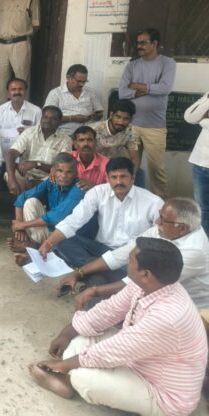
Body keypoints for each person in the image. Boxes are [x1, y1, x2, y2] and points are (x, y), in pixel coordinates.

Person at [29, 237, 207, 416]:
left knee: (85, 379)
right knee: (81, 337)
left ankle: (70, 381)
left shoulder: (168, 317)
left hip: (162, 392)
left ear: (146, 274)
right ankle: (71, 380)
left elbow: (114, 350)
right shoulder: (148, 285)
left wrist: (63, 365)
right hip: (140, 359)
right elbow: (109, 310)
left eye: (130, 259)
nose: (126, 261)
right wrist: (66, 333)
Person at [58, 198, 209, 310]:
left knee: (102, 296)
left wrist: (95, 290)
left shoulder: (194, 251)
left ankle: (100, 305)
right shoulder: (166, 228)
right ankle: (100, 300)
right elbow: (121, 254)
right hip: (143, 280)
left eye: (163, 219)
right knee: (92, 265)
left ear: (182, 228)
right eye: (160, 215)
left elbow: (144, 284)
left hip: (172, 303)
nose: (157, 221)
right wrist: (78, 273)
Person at [38, 158, 164, 269]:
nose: (118, 182)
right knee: (62, 241)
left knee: (137, 264)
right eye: (114, 177)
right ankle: (96, 268)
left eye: (123, 176)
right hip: (101, 249)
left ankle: (91, 270)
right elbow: (74, 220)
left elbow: (161, 236)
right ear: (107, 178)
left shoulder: (153, 202)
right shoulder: (98, 192)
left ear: (133, 178)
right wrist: (49, 243)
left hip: (130, 255)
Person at [118, 28, 176, 199]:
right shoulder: (132, 65)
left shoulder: (167, 63)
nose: (139, 46)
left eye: (143, 42)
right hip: (131, 127)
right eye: (138, 43)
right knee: (130, 167)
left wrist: (137, 86)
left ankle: (162, 205)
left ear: (154, 43)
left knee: (157, 169)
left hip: (155, 128)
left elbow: (165, 88)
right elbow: (122, 93)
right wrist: (150, 89)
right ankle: (129, 200)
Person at [9, 153, 84, 262]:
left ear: (76, 173)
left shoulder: (78, 188)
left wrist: (23, 225)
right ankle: (29, 243)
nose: (64, 175)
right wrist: (20, 228)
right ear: (53, 171)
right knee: (30, 202)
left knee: (40, 233)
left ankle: (30, 250)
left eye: (69, 172)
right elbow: (22, 197)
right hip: (51, 227)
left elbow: (56, 217)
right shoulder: (51, 181)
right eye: (60, 171)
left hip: (68, 235)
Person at [0, 0, 40, 105]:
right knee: (1, 81)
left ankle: (23, 112)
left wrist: (25, 37)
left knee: (22, 80)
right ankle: (0, 112)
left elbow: (36, 24)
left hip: (20, 44)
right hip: (2, 44)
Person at [5, 106, 71, 195]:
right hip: (25, 175)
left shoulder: (65, 140)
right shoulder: (29, 132)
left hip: (48, 179)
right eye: (45, 117)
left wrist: (36, 164)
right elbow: (11, 153)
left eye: (53, 119)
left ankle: (26, 199)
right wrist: (11, 179)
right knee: (11, 175)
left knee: (59, 178)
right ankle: (24, 198)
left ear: (59, 122)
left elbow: (61, 168)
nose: (48, 121)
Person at [44, 64, 103, 136]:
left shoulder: (90, 92)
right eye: (79, 81)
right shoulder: (56, 93)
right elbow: (49, 118)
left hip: (88, 133)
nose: (81, 84)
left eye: (84, 81)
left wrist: (95, 116)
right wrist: (72, 118)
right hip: (65, 133)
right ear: (68, 77)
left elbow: (100, 112)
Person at [87, 99, 141, 174]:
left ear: (131, 119)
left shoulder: (131, 131)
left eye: (126, 119)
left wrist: (132, 175)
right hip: (93, 165)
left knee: (139, 173)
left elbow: (134, 158)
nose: (121, 122)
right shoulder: (93, 130)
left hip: (113, 165)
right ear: (111, 115)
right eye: (118, 117)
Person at [0, 78, 42, 156]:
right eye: (13, 89)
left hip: (27, 153)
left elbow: (40, 133)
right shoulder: (0, 110)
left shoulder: (36, 110)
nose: (17, 92)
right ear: (8, 93)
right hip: (4, 152)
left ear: (25, 92)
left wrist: (27, 133)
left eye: (20, 89)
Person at [185, 90, 209, 234]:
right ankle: (205, 241)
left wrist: (204, 121)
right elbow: (190, 117)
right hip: (201, 163)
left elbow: (201, 122)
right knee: (202, 208)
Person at [70, 126, 108, 191]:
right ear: (75, 144)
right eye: (81, 140)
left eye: (89, 140)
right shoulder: (67, 158)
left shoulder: (106, 164)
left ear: (95, 142)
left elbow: (113, 188)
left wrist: (95, 187)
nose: (86, 144)